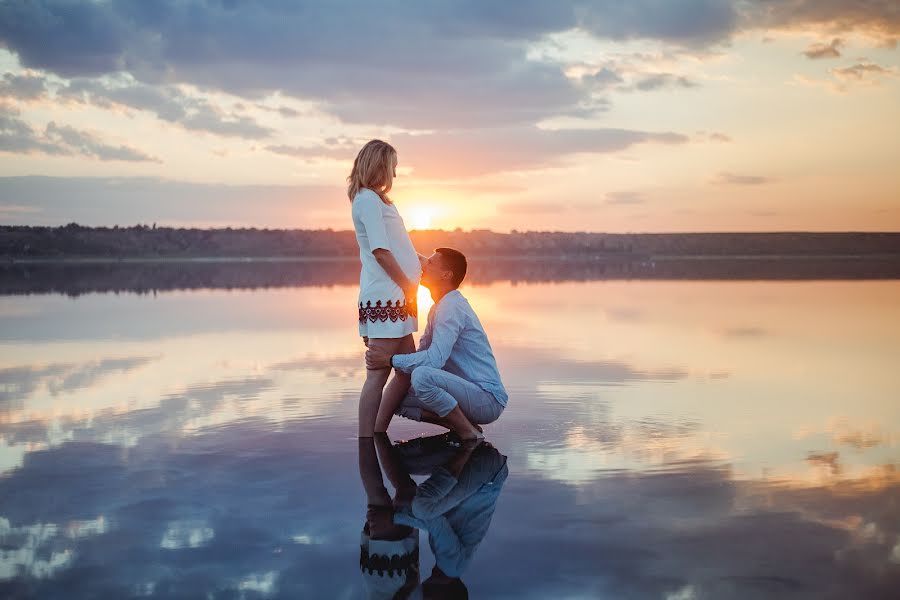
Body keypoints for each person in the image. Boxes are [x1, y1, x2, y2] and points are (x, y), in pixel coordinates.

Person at [366, 248, 508, 441]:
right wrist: (384, 342)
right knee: (396, 398)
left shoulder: (451, 307)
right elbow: (424, 353)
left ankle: (468, 434)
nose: (424, 266)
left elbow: (434, 360)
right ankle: (460, 425)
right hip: (469, 396)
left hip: (486, 399)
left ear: (446, 275)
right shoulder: (438, 307)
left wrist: (389, 360)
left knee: (422, 376)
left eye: (431, 263)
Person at [349, 139, 424, 437]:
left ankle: (378, 432)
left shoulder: (376, 201)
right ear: (381, 165)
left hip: (398, 296)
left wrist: (422, 261)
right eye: (393, 166)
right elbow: (380, 251)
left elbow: (395, 245)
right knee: (377, 373)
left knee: (405, 371)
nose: (395, 173)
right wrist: (407, 286)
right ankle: (366, 439)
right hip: (389, 295)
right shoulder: (367, 199)